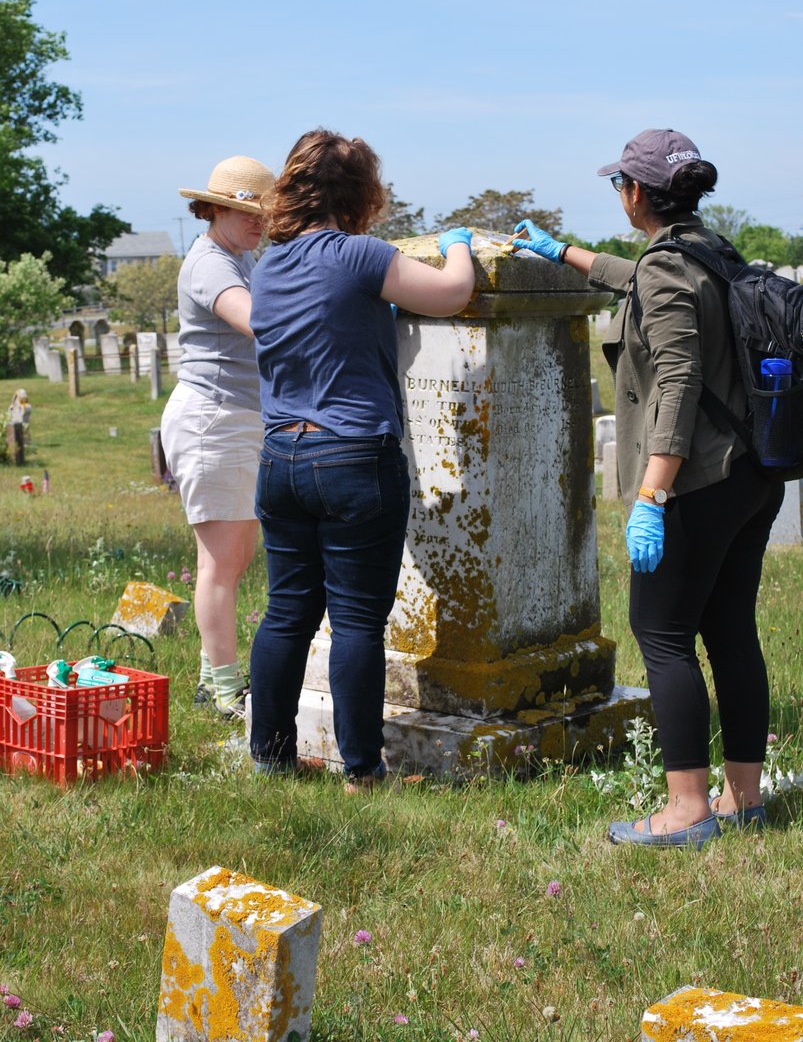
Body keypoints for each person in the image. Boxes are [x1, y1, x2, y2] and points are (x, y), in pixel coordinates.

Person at [512, 129, 784, 848]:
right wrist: (560, 251)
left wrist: (650, 497)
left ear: (635, 192)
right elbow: (635, 276)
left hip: (696, 480)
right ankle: (741, 799)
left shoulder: (668, 267)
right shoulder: (708, 251)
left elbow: (677, 381)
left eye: (618, 186)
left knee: (662, 636)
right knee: (729, 632)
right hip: (752, 475)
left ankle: (685, 810)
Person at [248, 129, 475, 790]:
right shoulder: (357, 255)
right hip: (352, 455)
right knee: (355, 621)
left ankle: (270, 756)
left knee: (285, 612)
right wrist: (456, 242)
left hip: (280, 455)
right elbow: (451, 292)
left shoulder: (271, 266)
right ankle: (361, 769)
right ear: (362, 194)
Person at [160, 155, 275, 718]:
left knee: (233, 557)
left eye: (262, 213)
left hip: (234, 418)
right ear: (213, 208)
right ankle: (225, 690)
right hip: (214, 420)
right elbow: (257, 320)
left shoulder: (241, 254)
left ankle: (214, 676)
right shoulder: (211, 264)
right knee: (221, 564)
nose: (258, 222)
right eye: (245, 211)